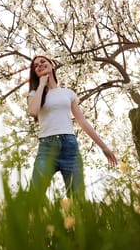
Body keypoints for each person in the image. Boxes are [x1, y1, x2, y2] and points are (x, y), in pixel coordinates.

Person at [27, 55, 118, 200]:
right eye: (36, 66)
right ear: (35, 72)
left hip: (70, 147)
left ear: (52, 65)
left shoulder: (68, 93)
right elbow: (33, 111)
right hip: (46, 148)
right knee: (34, 195)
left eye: (43, 62)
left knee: (77, 199)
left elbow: (82, 121)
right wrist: (41, 85)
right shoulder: (35, 93)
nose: (40, 65)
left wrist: (104, 147)